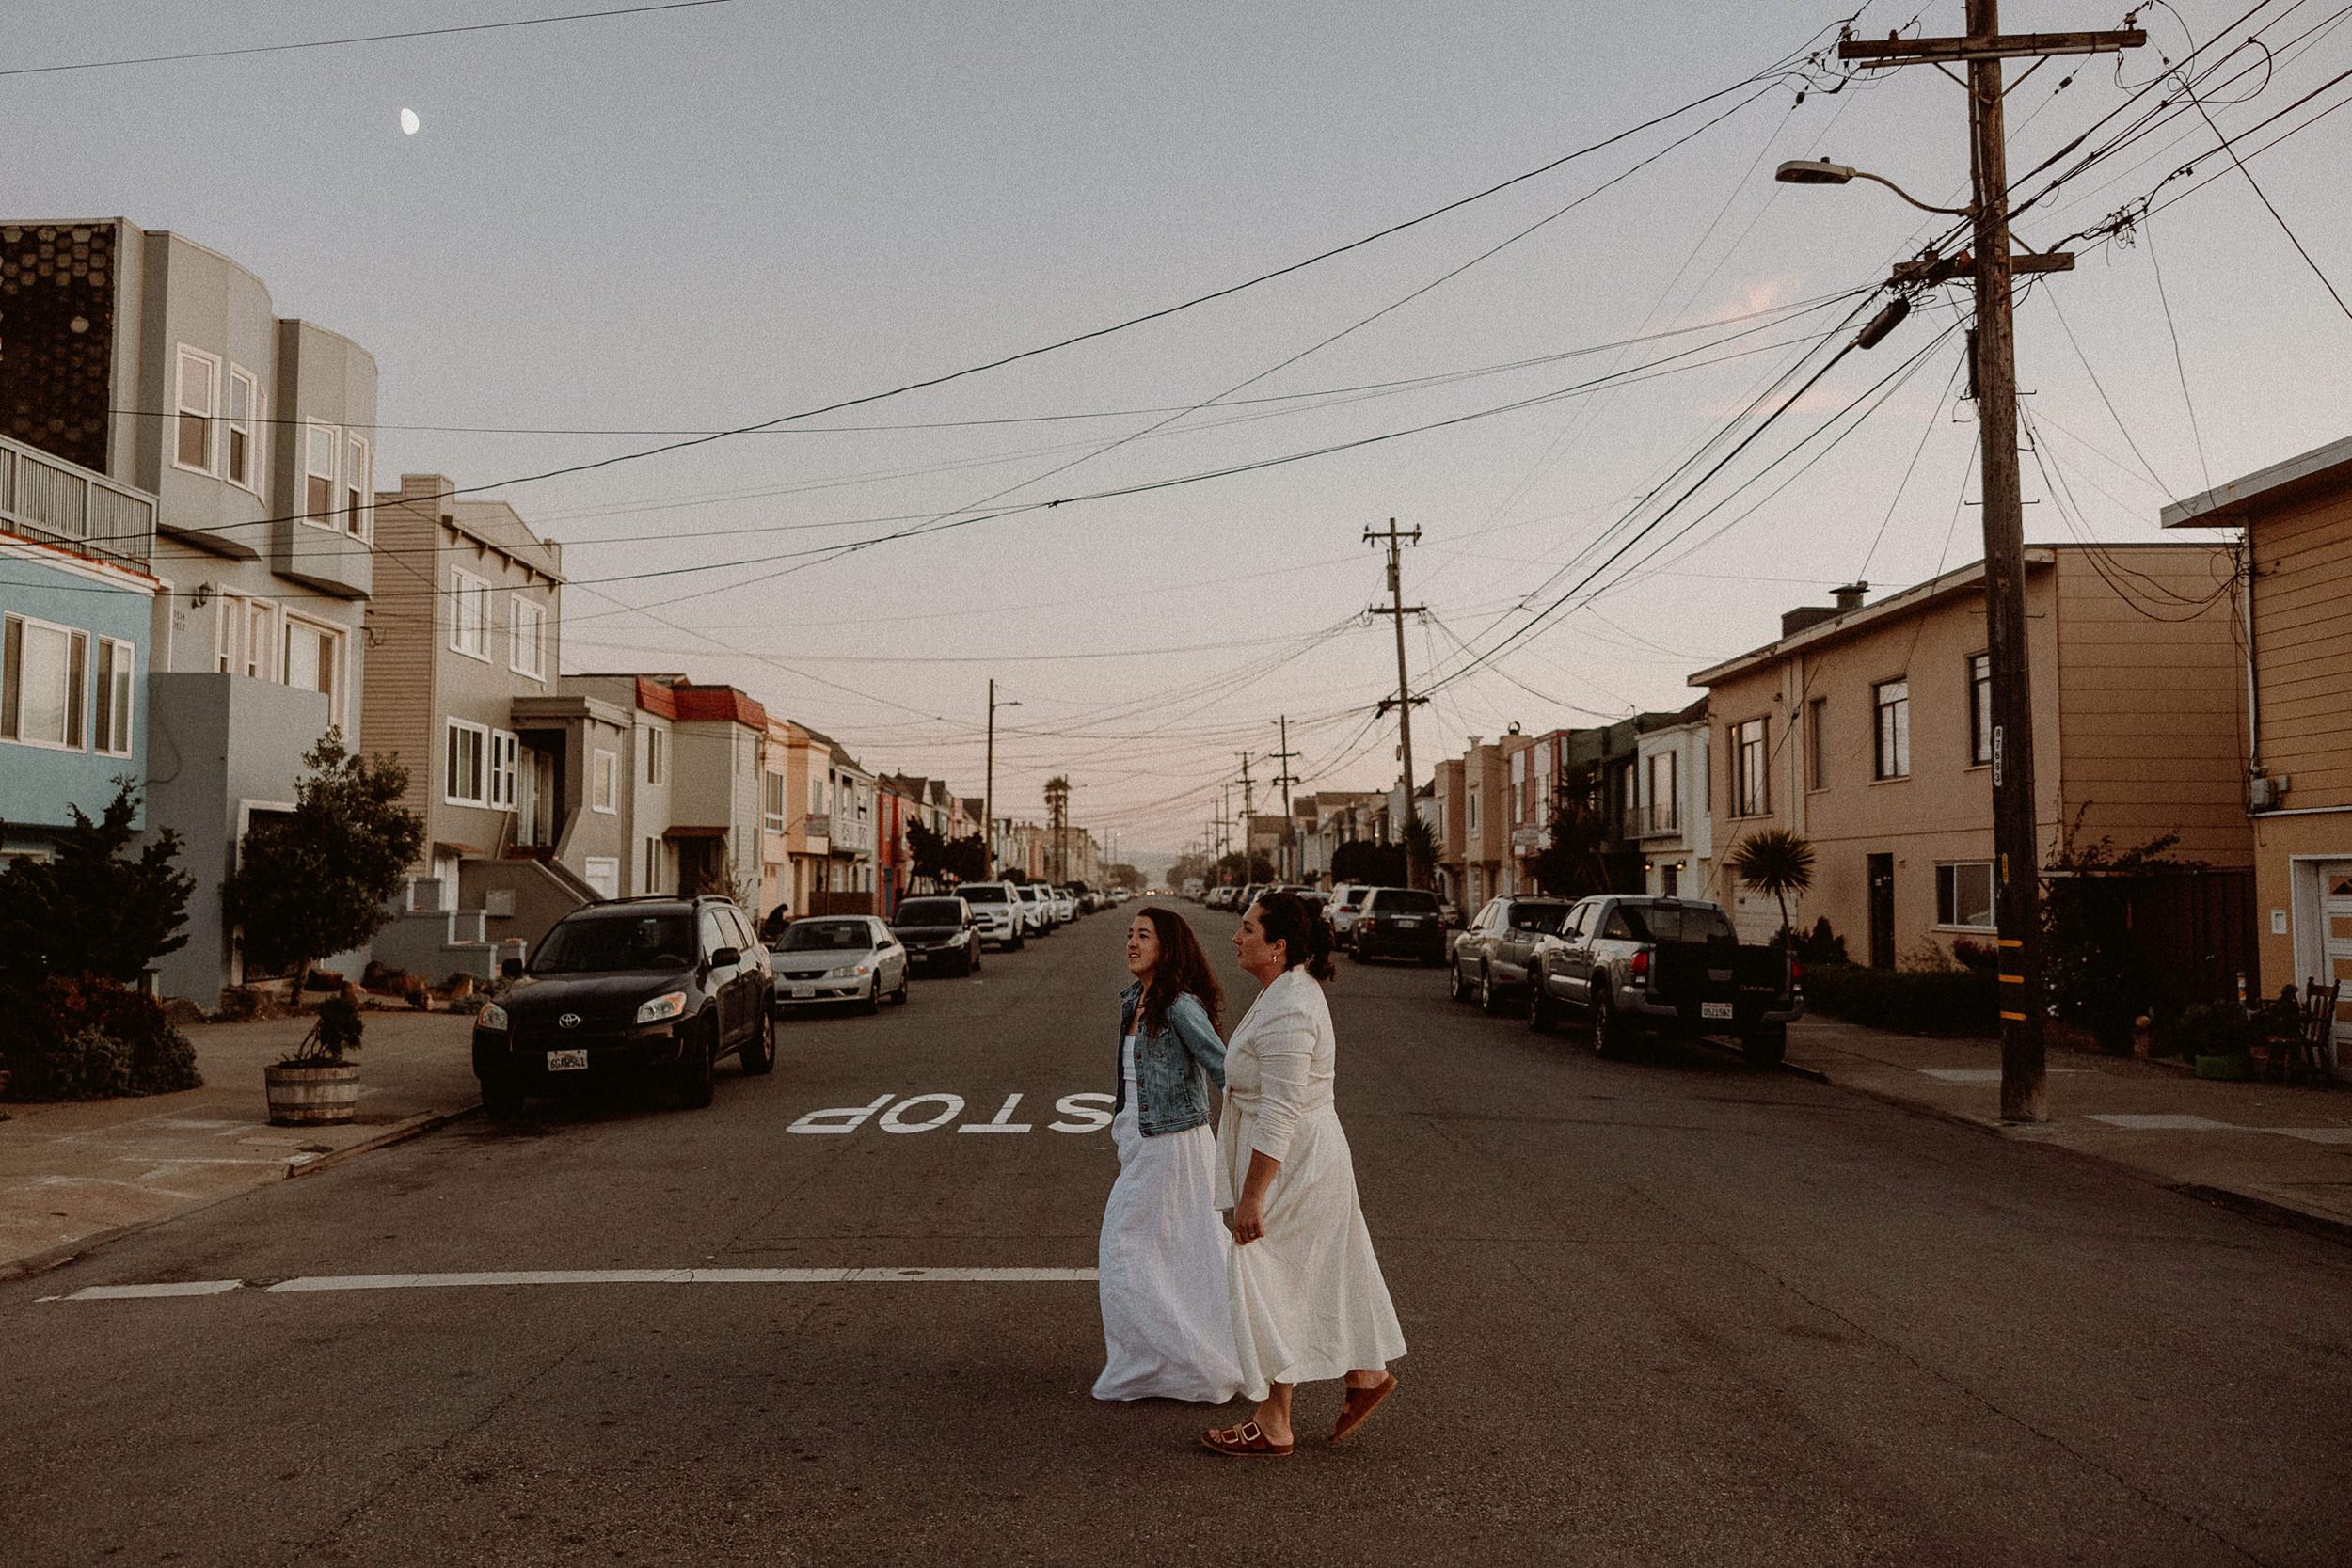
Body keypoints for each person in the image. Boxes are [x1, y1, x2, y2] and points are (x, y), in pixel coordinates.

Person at [1204, 889, 1405, 1457]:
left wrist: (1252, 1197)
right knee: (1316, 1269)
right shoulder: (1281, 991)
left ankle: (1274, 1421)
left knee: (1263, 1268)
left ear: (1279, 946)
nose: (1236, 937)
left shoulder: (1292, 1006)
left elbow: (1281, 1111)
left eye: (1248, 930)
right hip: (1302, 1154)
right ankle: (1364, 1376)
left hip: (1295, 1160)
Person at [1093, 907, 1245, 1403]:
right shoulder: (1134, 1001)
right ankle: (1160, 1362)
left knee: (1126, 1247)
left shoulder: (1179, 1005)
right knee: (1171, 1251)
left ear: (1167, 946)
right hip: (1141, 1141)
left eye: (1143, 936)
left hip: (1175, 1144)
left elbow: (1224, 1069)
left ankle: (1182, 1360)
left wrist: (1261, 1132)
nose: (1132, 943)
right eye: (1129, 935)